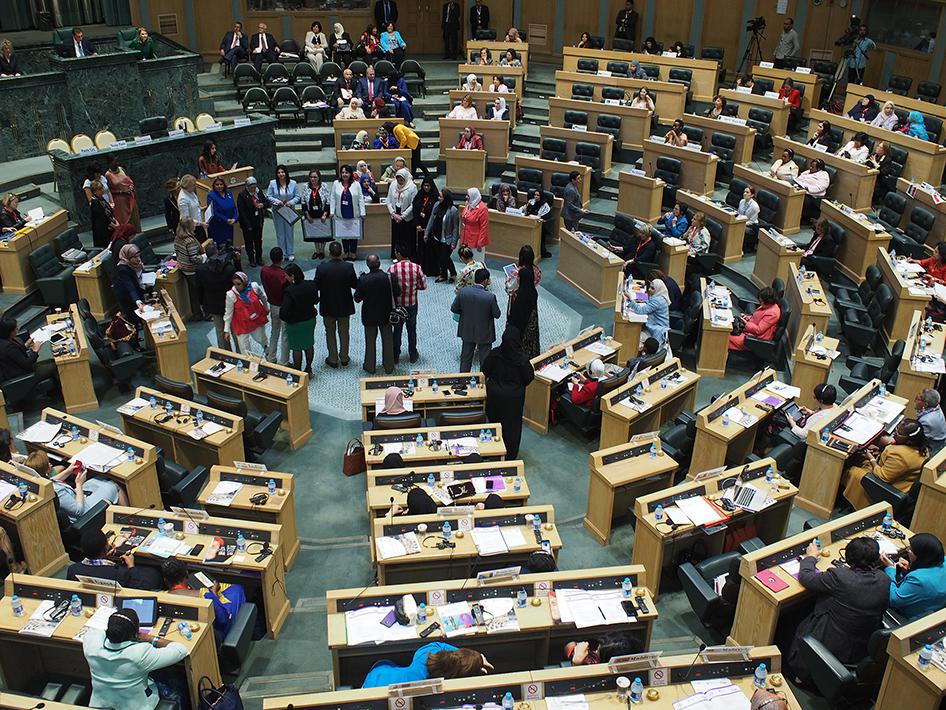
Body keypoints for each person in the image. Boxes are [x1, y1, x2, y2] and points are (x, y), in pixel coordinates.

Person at [787, 536, 888, 684]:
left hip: (832, 643)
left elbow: (806, 577)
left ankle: (801, 673)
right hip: (862, 646)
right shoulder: (884, 579)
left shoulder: (840, 577)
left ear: (848, 558)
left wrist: (811, 557)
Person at [82, 606, 188, 709]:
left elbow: (95, 632)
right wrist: (149, 638)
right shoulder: (140, 653)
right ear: (135, 634)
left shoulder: (91, 643)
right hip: (137, 706)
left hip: (100, 704)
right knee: (177, 682)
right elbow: (181, 649)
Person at [843, 419, 926, 510]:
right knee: (860, 458)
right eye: (896, 429)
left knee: (852, 471)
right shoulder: (922, 448)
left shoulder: (900, 455)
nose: (894, 433)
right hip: (902, 480)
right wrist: (880, 453)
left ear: (909, 438)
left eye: (899, 433)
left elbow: (883, 477)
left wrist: (872, 459)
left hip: (888, 488)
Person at [482, 326, 534, 459]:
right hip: (513, 400)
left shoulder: (495, 354)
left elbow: (485, 369)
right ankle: (509, 455)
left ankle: (492, 451)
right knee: (512, 428)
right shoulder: (521, 360)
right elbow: (529, 377)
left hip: (495, 397)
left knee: (494, 423)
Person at [161, 559, 246, 640]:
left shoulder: (159, 596)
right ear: (186, 574)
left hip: (182, 631)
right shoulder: (205, 595)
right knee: (237, 590)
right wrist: (213, 593)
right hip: (212, 633)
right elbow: (223, 618)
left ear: (165, 580)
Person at [363, 643, 491, 688]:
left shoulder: (426, 652)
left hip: (380, 672)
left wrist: (474, 657)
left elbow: (442, 646)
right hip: (374, 690)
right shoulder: (430, 687)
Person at [881, 533, 946, 622]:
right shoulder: (943, 561)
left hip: (910, 616)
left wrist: (890, 569)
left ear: (920, 555)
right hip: (935, 606)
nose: (908, 550)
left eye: (911, 549)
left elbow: (893, 599)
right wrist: (910, 569)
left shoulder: (918, 580)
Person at [355, 253, 398, 374]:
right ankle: (389, 366)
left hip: (369, 316)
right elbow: (398, 292)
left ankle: (370, 366)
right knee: (388, 341)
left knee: (370, 343)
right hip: (386, 314)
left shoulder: (363, 279)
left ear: (367, 265)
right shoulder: (389, 277)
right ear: (379, 263)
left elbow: (357, 298)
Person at [317, 241, 357, 367]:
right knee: (344, 332)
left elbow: (316, 286)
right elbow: (355, 285)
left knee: (330, 332)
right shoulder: (348, 267)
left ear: (329, 253)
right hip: (344, 305)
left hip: (328, 306)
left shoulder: (322, 268)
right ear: (341, 253)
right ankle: (344, 357)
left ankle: (333, 359)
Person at [452, 268, 500, 371]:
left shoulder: (463, 292)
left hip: (467, 329)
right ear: (485, 280)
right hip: (485, 332)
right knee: (485, 360)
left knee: (465, 358)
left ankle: (463, 381)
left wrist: (466, 314)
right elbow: (497, 314)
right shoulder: (490, 297)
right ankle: (483, 383)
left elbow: (454, 308)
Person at [388, 242, 426, 363]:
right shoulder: (417, 268)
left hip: (397, 306)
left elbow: (389, 287)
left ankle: (395, 355)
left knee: (397, 331)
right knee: (412, 329)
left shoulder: (392, 269)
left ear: (398, 254)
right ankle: (413, 354)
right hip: (412, 304)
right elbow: (423, 286)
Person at [279, 263, 319, 373]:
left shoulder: (289, 291)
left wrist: (288, 319)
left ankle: (298, 372)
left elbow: (284, 311)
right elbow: (316, 300)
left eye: (286, 275)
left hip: (295, 323)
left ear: (292, 276)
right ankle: (309, 368)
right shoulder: (311, 285)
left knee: (297, 348)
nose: (285, 278)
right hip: (310, 320)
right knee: (309, 344)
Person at [197, 243, 237, 347]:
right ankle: (241, 356)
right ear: (217, 252)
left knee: (220, 331)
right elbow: (238, 282)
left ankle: (226, 358)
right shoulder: (229, 268)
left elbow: (199, 289)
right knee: (235, 331)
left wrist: (202, 303)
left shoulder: (201, 270)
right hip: (230, 303)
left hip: (213, 304)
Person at [0, 315, 57, 385]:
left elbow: (15, 355)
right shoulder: (8, 347)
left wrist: (25, 346)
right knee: (55, 365)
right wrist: (35, 351)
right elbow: (27, 364)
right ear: (10, 332)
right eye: (16, 328)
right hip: (24, 375)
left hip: (17, 368)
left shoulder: (4, 339)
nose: (18, 328)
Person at [224, 271, 270, 356]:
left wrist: (266, 308)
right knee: (245, 349)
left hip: (256, 320)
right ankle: (248, 365)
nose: (237, 287)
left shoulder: (254, 287)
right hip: (241, 324)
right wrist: (226, 330)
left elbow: (263, 297)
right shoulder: (231, 295)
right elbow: (228, 313)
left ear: (244, 282)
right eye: (235, 284)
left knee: (262, 340)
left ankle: (269, 358)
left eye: (239, 284)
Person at [507, 249, 539, 358]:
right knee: (531, 328)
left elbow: (510, 288)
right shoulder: (536, 270)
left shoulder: (518, 271)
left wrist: (507, 281)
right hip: (531, 302)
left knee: (516, 324)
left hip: (518, 298)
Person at [331, 164, 365, 261]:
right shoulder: (336, 183)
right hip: (341, 213)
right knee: (344, 233)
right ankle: (346, 252)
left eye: (346, 172)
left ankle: (353, 252)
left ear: (350, 174)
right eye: (342, 172)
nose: (344, 174)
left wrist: (363, 212)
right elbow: (332, 198)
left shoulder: (356, 184)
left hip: (353, 213)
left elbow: (360, 199)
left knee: (354, 234)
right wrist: (332, 211)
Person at [260, 247, 289, 364]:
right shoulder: (283, 275)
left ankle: (271, 357)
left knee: (274, 332)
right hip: (283, 306)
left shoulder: (264, 270)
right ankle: (284, 361)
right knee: (285, 335)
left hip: (272, 305)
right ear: (282, 258)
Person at [729, 286, 780, 350]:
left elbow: (759, 330)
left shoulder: (773, 314)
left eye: (761, 301)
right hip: (749, 332)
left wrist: (746, 323)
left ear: (768, 302)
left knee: (726, 337)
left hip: (754, 340)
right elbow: (757, 317)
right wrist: (748, 318)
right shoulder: (766, 306)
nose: (760, 303)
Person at [174, 217, 205, 320]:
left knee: (193, 293)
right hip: (192, 269)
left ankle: (197, 313)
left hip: (183, 267)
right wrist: (205, 257)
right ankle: (199, 314)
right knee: (196, 293)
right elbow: (194, 259)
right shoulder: (189, 240)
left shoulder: (177, 237)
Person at [267, 165, 300, 261]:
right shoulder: (272, 183)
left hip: (289, 210)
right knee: (280, 232)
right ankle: (282, 253)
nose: (281, 174)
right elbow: (268, 196)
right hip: (278, 210)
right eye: (278, 172)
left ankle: (290, 252)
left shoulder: (293, 183)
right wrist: (277, 201)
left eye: (282, 172)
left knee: (289, 232)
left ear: (286, 173)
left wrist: (291, 202)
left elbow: (297, 197)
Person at [112, 244, 147, 334]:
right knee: (132, 317)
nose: (138, 259)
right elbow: (130, 287)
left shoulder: (136, 263)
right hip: (125, 294)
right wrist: (138, 301)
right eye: (135, 257)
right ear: (128, 257)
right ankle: (135, 343)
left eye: (139, 256)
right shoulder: (123, 268)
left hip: (134, 290)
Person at [236, 176, 270, 267]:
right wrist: (248, 225)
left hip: (258, 222)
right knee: (249, 242)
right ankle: (251, 259)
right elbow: (242, 213)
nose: (253, 187)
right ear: (247, 186)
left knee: (258, 241)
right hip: (248, 224)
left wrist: (262, 205)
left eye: (254, 185)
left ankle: (259, 258)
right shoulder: (242, 196)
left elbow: (267, 203)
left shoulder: (258, 192)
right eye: (251, 186)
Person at [426, 191, 459, 283]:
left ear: (446, 198)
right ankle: (443, 274)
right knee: (440, 257)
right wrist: (427, 232)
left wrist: (454, 242)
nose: (438, 198)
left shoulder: (453, 210)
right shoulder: (437, 205)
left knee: (445, 257)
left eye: (440, 197)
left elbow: (455, 228)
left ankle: (453, 274)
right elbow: (431, 219)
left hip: (447, 239)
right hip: (436, 237)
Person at [626, 278, 670, 346]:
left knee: (635, 338)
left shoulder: (657, 301)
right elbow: (649, 299)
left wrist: (630, 299)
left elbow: (641, 310)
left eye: (652, 288)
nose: (649, 289)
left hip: (656, 332)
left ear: (658, 289)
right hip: (658, 328)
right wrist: (636, 295)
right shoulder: (660, 296)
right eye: (650, 287)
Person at [387, 168, 417, 260]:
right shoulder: (393, 184)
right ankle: (396, 256)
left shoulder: (412, 187)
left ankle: (407, 257)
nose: (399, 181)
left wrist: (403, 216)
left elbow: (413, 204)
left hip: (407, 218)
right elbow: (388, 200)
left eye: (401, 179)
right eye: (398, 178)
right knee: (397, 238)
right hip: (395, 216)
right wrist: (393, 213)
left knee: (406, 238)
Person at [301, 169, 331, 259]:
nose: (313, 179)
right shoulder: (305, 186)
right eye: (311, 177)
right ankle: (317, 251)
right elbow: (303, 201)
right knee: (315, 232)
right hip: (311, 214)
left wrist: (325, 214)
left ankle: (322, 251)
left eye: (315, 177)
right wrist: (307, 215)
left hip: (322, 213)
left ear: (319, 178)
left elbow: (328, 201)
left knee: (323, 232)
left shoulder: (324, 186)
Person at [413, 178, 439, 273]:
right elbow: (415, 210)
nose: (426, 187)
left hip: (431, 228)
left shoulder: (435, 196)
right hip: (420, 227)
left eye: (428, 186)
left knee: (431, 248)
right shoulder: (419, 195)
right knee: (421, 247)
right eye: (425, 185)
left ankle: (431, 269)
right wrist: (417, 224)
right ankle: (421, 268)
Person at [206, 176, 238, 248]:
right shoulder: (211, 196)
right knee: (220, 247)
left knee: (229, 245)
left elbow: (234, 207)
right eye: (217, 184)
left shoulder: (229, 193)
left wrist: (235, 218)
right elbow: (213, 211)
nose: (219, 186)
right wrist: (226, 219)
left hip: (229, 226)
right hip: (217, 226)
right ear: (213, 186)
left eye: (221, 184)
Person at [795, 158, 830, 223]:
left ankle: (804, 219)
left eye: (812, 167)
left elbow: (820, 187)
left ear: (819, 169)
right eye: (810, 166)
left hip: (812, 195)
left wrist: (807, 188)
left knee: (803, 199)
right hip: (800, 189)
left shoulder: (824, 175)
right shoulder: (807, 172)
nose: (810, 168)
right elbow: (798, 179)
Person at [461, 187, 490, 260]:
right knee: (468, 261)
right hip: (466, 238)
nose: (466, 197)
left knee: (477, 262)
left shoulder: (483, 209)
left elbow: (484, 227)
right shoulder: (468, 204)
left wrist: (480, 243)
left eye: (468, 195)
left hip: (476, 241)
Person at [915, 389, 946, 455]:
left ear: (925, 404)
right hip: (939, 445)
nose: (914, 401)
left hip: (931, 451)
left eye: (917, 399)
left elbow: (916, 440)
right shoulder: (937, 408)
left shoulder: (926, 421)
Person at [525, 189, 553, 258]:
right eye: (535, 195)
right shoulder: (531, 202)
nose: (536, 196)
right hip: (529, 222)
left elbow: (546, 216)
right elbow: (525, 211)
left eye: (538, 195)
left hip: (540, 225)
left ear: (541, 196)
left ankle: (540, 252)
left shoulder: (545, 205)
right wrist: (528, 205)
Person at [177, 174, 206, 241]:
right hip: (193, 229)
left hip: (199, 225)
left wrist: (201, 208)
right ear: (187, 186)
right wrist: (201, 223)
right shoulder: (183, 199)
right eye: (193, 185)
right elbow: (185, 219)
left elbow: (194, 206)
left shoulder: (191, 192)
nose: (195, 186)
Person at [89, 181, 117, 248]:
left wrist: (115, 221)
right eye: (100, 189)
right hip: (102, 230)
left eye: (102, 188)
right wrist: (115, 226)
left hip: (110, 226)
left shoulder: (101, 198)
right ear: (95, 191)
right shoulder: (95, 202)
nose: (102, 190)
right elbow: (103, 217)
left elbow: (109, 211)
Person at [738, 185, 761, 250]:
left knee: (737, 228)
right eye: (744, 192)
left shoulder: (755, 207)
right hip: (741, 221)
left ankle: (739, 249)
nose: (744, 194)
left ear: (752, 195)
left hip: (751, 226)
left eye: (747, 192)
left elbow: (752, 221)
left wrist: (741, 223)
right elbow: (739, 213)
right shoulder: (742, 201)